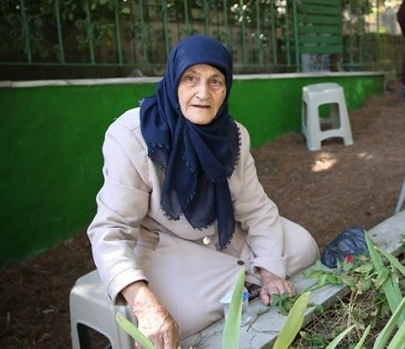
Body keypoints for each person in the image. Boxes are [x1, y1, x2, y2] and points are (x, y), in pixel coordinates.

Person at [88, 35, 320, 348]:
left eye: (216, 81)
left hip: (227, 236)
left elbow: (256, 208)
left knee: (303, 245)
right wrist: (144, 304)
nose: (203, 93)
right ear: (173, 80)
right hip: (168, 246)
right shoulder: (131, 136)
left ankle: (244, 283)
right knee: (178, 317)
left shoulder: (233, 135)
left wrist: (270, 272)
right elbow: (110, 231)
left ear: (227, 88)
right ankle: (237, 286)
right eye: (191, 78)